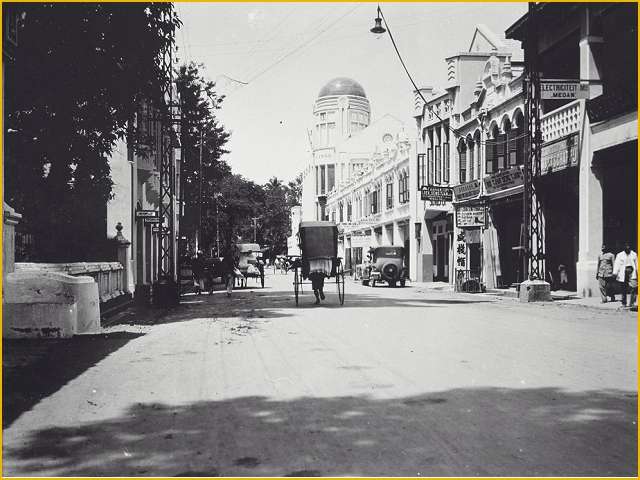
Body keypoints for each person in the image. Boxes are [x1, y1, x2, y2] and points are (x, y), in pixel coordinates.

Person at [614, 242, 638, 307]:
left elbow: (637, 264)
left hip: (632, 272)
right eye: (626, 246)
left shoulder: (634, 254)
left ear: (630, 246)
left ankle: (632, 303)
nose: (627, 247)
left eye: (628, 246)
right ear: (623, 247)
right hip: (623, 272)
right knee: (623, 288)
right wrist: (615, 273)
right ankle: (624, 303)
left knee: (633, 287)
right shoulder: (620, 255)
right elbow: (617, 264)